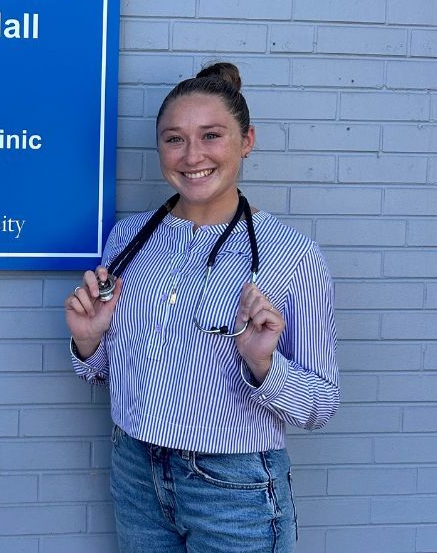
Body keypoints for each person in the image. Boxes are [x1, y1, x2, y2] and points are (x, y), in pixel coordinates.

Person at [64, 62, 339, 553]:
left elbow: (320, 405)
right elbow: (105, 372)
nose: (192, 156)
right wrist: (89, 341)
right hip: (135, 471)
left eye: (211, 135)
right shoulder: (128, 240)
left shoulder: (292, 256)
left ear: (246, 140)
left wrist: (263, 364)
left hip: (233, 490)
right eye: (174, 139)